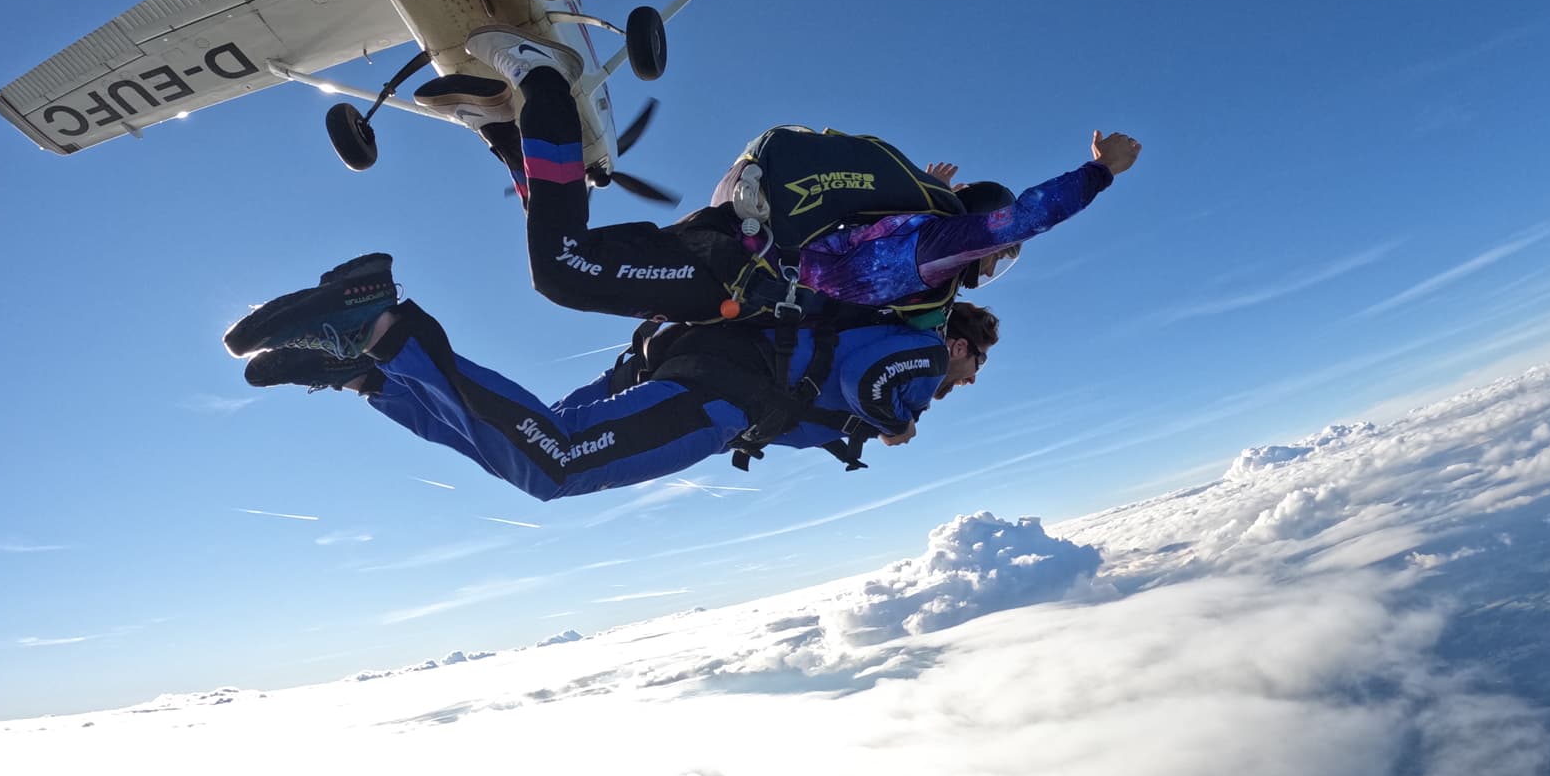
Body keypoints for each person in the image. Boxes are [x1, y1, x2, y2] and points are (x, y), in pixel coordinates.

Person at [427, 26, 1142, 326]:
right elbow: (1015, 220)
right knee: (562, 270)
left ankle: (503, 126)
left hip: (719, 254)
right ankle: (544, 86)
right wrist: (1098, 173)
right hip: (724, 271)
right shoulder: (936, 256)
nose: (998, 259)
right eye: (1000, 255)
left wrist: (917, 195)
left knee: (568, 245)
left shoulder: (911, 239)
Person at [222, 253, 998, 502]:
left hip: (683, 363)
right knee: (554, 467)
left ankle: (367, 372)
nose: (967, 377)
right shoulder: (921, 356)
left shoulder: (885, 332)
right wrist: (903, 418)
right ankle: (381, 323)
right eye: (974, 362)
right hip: (720, 392)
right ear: (958, 340)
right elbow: (874, 384)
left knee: (528, 449)